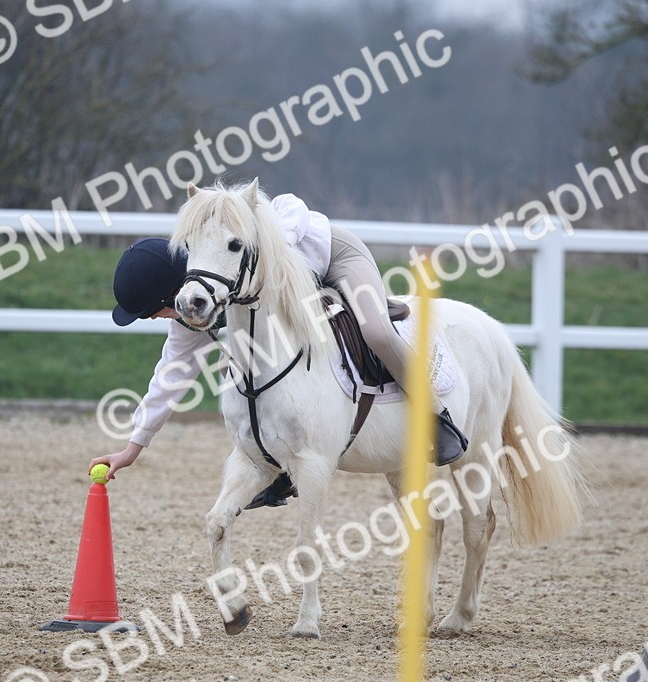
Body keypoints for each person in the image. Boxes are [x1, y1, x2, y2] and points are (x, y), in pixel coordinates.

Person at [89, 193, 468, 508]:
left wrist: (272, 243)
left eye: (155, 312)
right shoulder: (198, 308)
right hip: (300, 291)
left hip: (337, 257)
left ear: (169, 292)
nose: (159, 320)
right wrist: (132, 449)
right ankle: (281, 465)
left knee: (376, 333)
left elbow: (293, 206)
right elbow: (169, 378)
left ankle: (438, 416)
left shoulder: (252, 247)